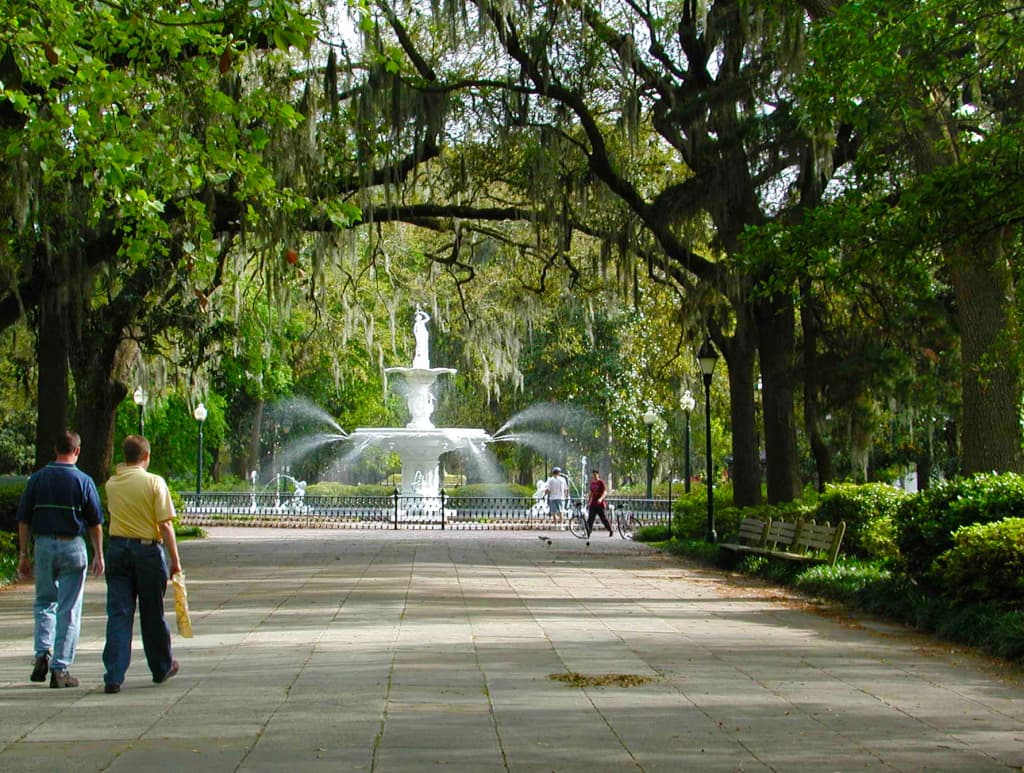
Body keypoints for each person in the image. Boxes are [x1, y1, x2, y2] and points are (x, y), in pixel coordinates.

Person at [16, 430, 105, 688]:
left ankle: (42, 652)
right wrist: (99, 554)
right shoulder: (84, 481)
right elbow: (95, 523)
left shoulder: (37, 479)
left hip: (43, 544)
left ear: (55, 449)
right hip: (73, 546)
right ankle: (60, 668)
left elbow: (24, 518)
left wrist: (24, 554)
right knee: (69, 608)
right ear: (77, 451)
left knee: (44, 602)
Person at [102, 435, 183, 694]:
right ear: (146, 457)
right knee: (152, 612)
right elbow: (165, 524)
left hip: (117, 549)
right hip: (147, 552)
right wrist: (175, 561)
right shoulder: (154, 482)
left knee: (119, 613)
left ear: (125, 457)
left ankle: (114, 675)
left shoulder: (112, 484)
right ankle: (161, 667)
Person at [586, 469, 613, 537]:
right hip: (593, 504)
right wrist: (588, 501)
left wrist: (601, 499)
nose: (594, 476)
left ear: (598, 475)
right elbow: (591, 493)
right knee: (590, 518)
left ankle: (610, 530)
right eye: (593, 475)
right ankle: (589, 531)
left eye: (595, 474)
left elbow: (605, 492)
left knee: (603, 518)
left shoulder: (601, 482)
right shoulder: (592, 483)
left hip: (600, 504)